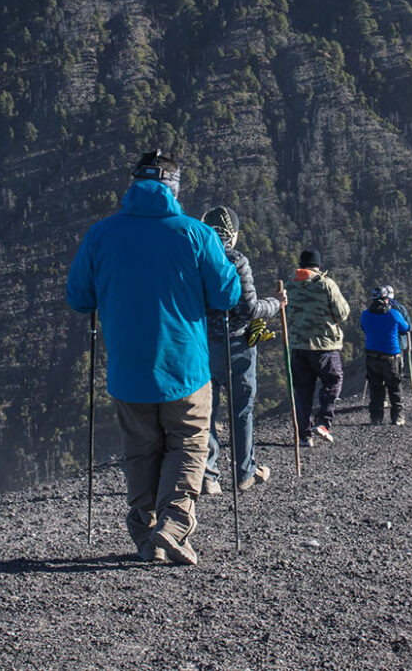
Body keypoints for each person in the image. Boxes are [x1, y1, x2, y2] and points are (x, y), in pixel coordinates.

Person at [66, 150, 241, 565]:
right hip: (186, 368)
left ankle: (145, 534)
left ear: (134, 185)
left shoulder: (101, 235)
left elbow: (79, 298)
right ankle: (173, 528)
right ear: (175, 189)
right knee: (189, 444)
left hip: (128, 372)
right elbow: (228, 295)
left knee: (141, 450)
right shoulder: (196, 235)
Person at [201, 205, 287, 495]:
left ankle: (208, 476)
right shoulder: (236, 260)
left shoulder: (195, 258)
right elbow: (249, 309)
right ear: (233, 234)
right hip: (239, 343)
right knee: (241, 410)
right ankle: (244, 473)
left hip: (202, 346)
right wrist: (276, 303)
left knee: (206, 412)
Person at [286, 249, 350, 446]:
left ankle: (304, 435)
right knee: (332, 380)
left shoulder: (290, 286)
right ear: (318, 265)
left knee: (303, 391)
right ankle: (323, 421)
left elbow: (286, 313)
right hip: (325, 346)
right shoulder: (326, 285)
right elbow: (342, 313)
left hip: (298, 346)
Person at [361, 286, 410, 425]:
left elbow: (363, 328)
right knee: (394, 387)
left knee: (376, 388)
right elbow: (406, 328)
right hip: (391, 357)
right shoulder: (394, 314)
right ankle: (397, 417)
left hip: (371, 356)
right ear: (386, 298)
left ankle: (376, 418)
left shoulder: (365, 314)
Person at [384, 285, 412, 365]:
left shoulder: (375, 309)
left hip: (381, 346)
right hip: (398, 344)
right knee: (398, 366)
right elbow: (408, 327)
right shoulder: (400, 308)